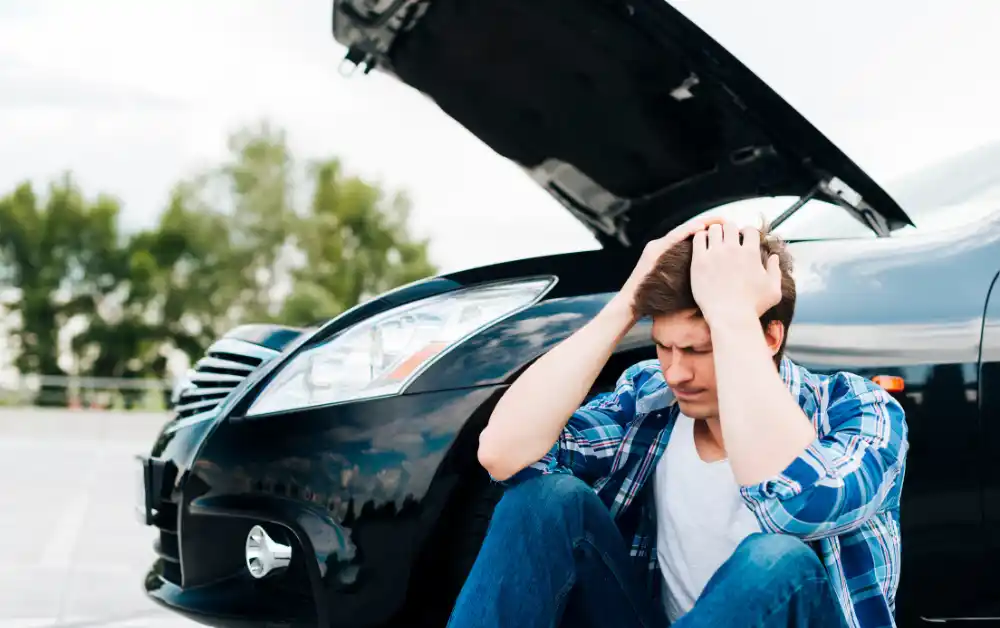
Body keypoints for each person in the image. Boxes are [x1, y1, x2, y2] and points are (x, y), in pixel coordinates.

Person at [449, 219, 909, 628]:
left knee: (775, 558)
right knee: (545, 499)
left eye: (698, 350)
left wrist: (731, 317)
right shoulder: (652, 401)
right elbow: (503, 452)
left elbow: (797, 507)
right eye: (664, 347)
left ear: (770, 336)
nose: (676, 372)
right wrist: (627, 301)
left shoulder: (857, 408)